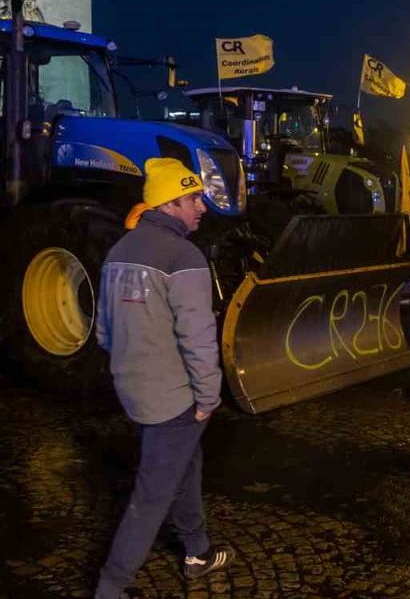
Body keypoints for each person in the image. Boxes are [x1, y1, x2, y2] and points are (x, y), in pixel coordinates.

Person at [94, 158, 233, 599]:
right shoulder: (184, 257)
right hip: (176, 400)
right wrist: (208, 397)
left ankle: (197, 550)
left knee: (184, 464)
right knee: (151, 495)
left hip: (133, 392)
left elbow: (102, 331)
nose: (203, 207)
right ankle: (110, 587)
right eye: (194, 198)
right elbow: (198, 338)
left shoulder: (119, 251)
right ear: (172, 203)